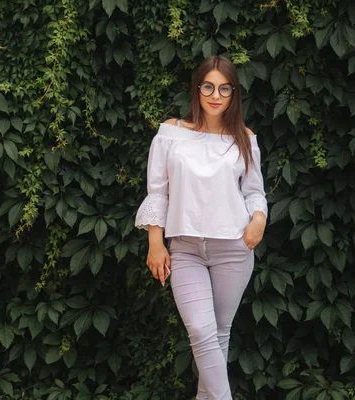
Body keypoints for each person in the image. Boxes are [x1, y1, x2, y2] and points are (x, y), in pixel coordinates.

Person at [134, 55, 268, 400]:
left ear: (234, 94)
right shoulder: (171, 133)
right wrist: (155, 240)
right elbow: (157, 190)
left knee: (218, 334)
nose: (216, 95)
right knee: (200, 330)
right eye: (208, 86)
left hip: (233, 250)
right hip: (185, 248)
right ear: (197, 88)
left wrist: (259, 220)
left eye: (225, 88)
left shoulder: (244, 138)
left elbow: (254, 193)